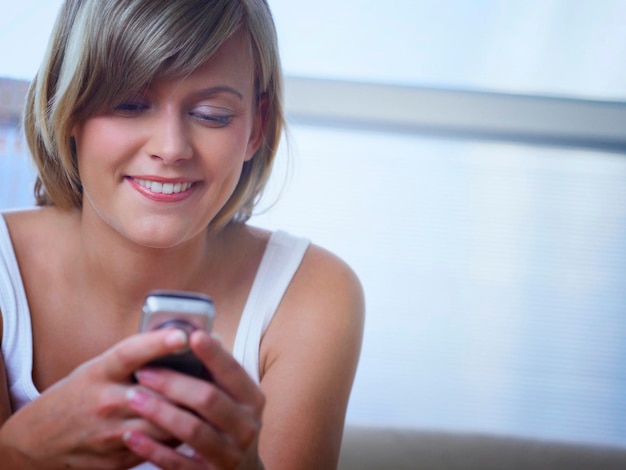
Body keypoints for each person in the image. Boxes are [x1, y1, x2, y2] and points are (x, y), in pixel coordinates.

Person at [0, 0, 364, 468]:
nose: (171, 149)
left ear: (258, 126)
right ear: (67, 107)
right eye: (128, 104)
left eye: (212, 113)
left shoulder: (312, 296)